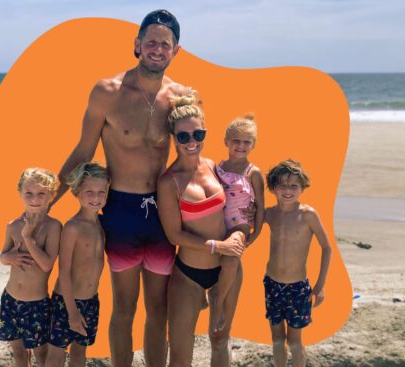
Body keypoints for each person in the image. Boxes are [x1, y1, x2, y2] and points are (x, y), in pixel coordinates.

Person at [51, 9, 185, 367]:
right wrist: (45, 206)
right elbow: (83, 151)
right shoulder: (107, 91)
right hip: (120, 211)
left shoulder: (182, 98)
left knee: (159, 309)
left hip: (162, 211)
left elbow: (192, 155)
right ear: (138, 44)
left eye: (165, 44)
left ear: (176, 51)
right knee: (124, 307)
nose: (158, 49)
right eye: (151, 42)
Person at [157, 89, 245, 367]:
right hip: (189, 275)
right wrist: (218, 245)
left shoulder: (213, 166)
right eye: (183, 136)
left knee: (221, 341)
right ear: (174, 138)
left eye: (198, 134)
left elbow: (238, 201)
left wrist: (244, 225)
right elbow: (174, 234)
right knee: (181, 356)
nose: (192, 142)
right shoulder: (168, 181)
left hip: (226, 270)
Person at [264, 159, 332, 367]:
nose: (288, 190)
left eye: (294, 186)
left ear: (302, 187)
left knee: (295, 341)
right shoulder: (269, 213)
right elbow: (248, 225)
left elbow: (326, 248)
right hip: (272, 284)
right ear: (273, 187)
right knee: (276, 339)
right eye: (282, 185)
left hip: (298, 288)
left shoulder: (308, 215)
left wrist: (320, 285)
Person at [45, 163, 110, 367]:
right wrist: (72, 312)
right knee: (56, 354)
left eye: (101, 192)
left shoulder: (102, 223)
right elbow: (63, 271)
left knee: (80, 353)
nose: (96, 197)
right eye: (89, 192)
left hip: (90, 300)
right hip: (66, 301)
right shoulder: (73, 227)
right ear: (77, 193)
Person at [0, 168, 62, 367]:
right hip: (10, 299)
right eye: (29, 193)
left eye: (41, 193)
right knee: (18, 353)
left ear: (51, 195)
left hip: (36, 304)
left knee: (41, 353)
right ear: (20, 194)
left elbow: (46, 264)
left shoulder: (53, 227)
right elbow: (2, 257)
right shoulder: (12, 225)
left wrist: (27, 237)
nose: (35, 198)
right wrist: (9, 256)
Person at [212, 114, 265, 332]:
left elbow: (260, 206)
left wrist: (255, 233)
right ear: (226, 141)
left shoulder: (253, 172)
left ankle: (217, 302)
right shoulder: (217, 168)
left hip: (240, 224)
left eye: (246, 142)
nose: (241, 146)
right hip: (217, 224)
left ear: (253, 144)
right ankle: (210, 294)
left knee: (232, 259)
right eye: (236, 141)